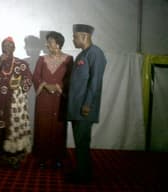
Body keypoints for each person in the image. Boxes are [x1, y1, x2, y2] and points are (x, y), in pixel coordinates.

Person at [0, 37, 33, 168]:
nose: (7, 48)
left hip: (14, 101)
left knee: (12, 126)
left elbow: (28, 82)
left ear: (14, 48)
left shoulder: (21, 64)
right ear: (2, 48)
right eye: (5, 45)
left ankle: (13, 157)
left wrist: (19, 83)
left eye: (10, 45)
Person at [66, 24, 107, 183]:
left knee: (82, 143)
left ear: (85, 36)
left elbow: (95, 82)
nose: (73, 39)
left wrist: (88, 104)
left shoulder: (95, 53)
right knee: (79, 143)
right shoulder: (83, 54)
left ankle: (84, 176)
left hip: (84, 107)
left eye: (75, 36)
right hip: (76, 106)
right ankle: (82, 172)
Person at [32, 31, 73, 169]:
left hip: (59, 99)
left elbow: (70, 78)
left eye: (49, 42)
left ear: (58, 44)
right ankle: (42, 158)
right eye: (47, 42)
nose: (46, 44)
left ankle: (58, 158)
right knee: (42, 126)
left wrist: (58, 86)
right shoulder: (42, 59)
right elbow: (36, 76)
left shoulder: (68, 59)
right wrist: (45, 85)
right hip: (44, 97)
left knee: (58, 127)